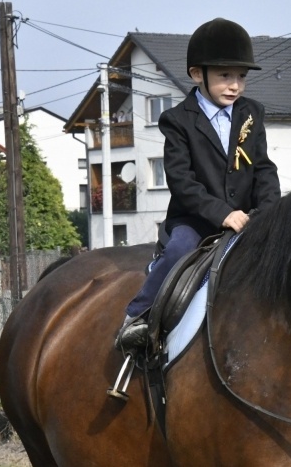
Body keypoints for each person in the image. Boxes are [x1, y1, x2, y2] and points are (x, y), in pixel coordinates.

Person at [116, 18, 281, 349]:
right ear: (197, 74)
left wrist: (269, 212)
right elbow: (182, 181)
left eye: (241, 77)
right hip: (196, 220)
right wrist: (222, 214)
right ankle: (137, 316)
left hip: (248, 218)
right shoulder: (177, 120)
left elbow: (263, 168)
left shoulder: (252, 113)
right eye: (224, 76)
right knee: (180, 249)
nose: (235, 85)